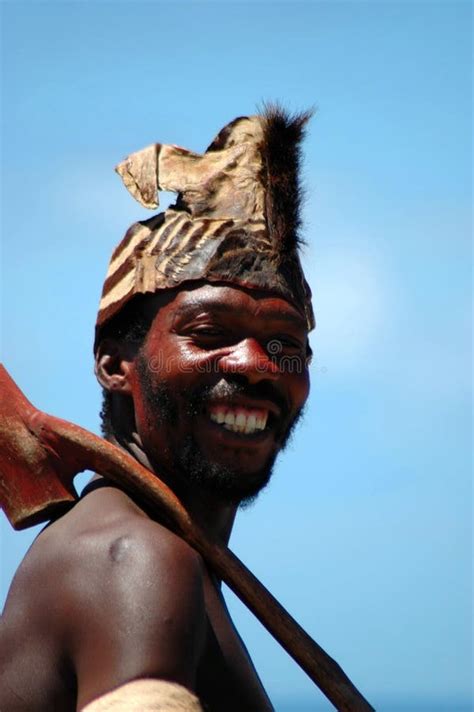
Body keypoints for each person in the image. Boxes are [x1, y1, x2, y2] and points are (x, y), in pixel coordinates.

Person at [0, 106, 314, 711]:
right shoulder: (137, 561)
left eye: (285, 344)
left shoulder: (171, 557)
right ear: (116, 363)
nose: (256, 364)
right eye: (210, 332)